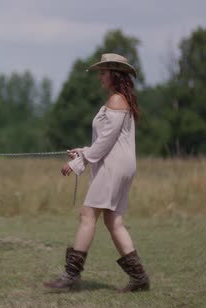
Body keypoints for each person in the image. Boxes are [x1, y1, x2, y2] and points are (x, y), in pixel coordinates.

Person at [43, 53, 150, 293]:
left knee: (87, 215)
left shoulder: (115, 101)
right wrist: (83, 151)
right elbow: (106, 141)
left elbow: (105, 144)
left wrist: (77, 163)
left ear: (115, 74)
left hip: (113, 166)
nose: (100, 77)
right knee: (114, 221)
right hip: (122, 164)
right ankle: (140, 278)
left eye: (103, 73)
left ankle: (70, 276)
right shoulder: (121, 100)